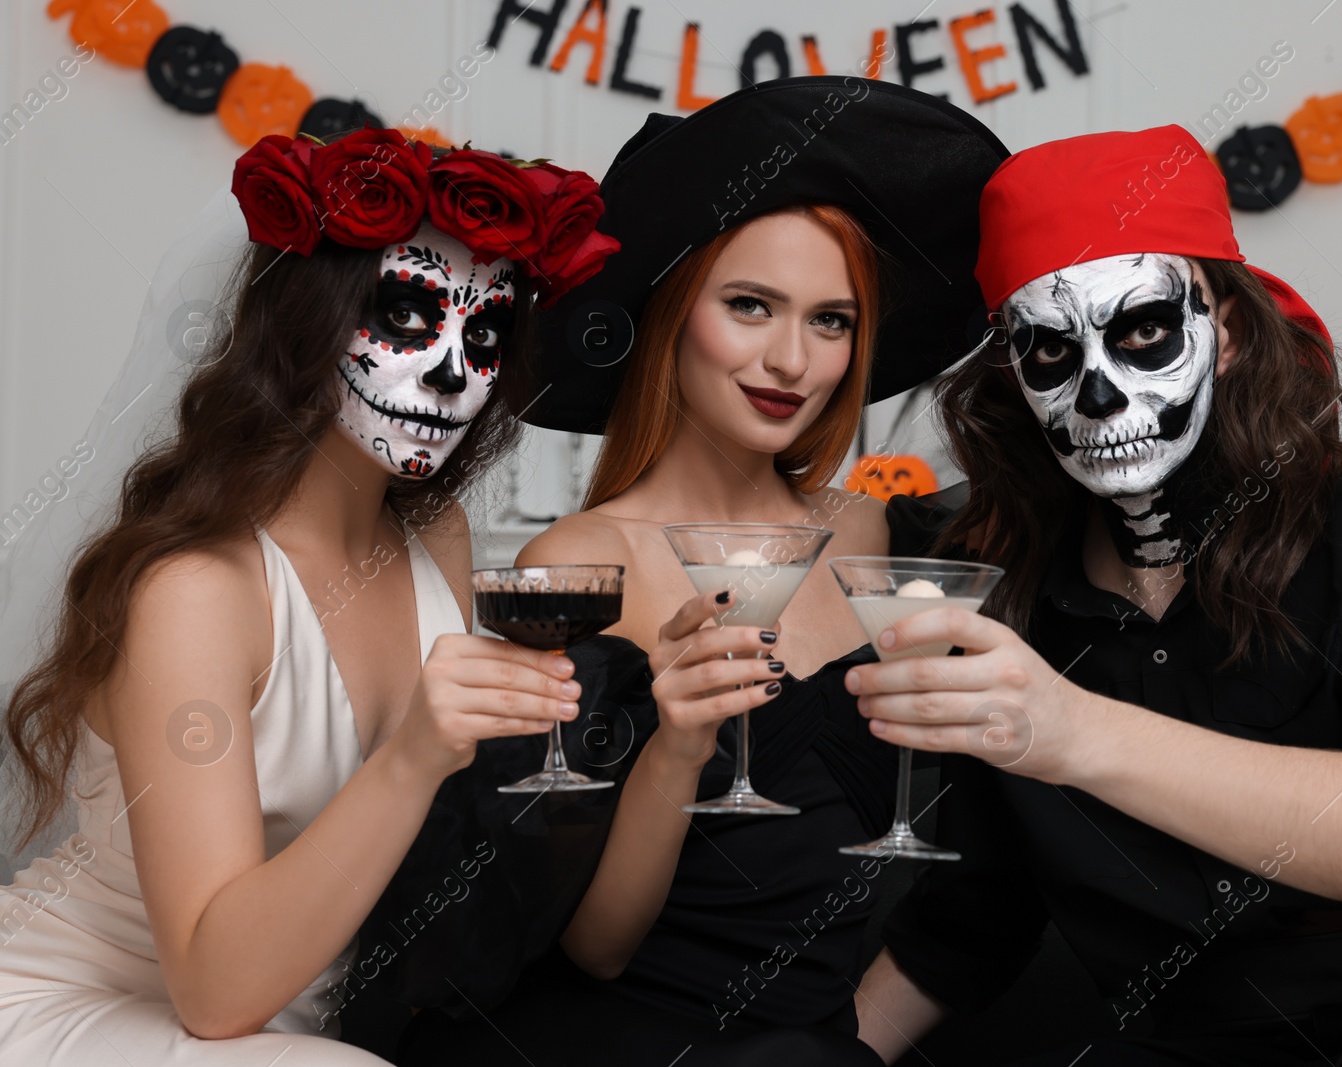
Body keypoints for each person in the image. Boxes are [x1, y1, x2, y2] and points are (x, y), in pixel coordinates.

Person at [843, 127, 1342, 1064]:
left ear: (1229, 332)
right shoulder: (1004, 585)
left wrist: (1070, 729)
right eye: (1050, 352)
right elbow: (969, 926)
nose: (1101, 398)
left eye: (1144, 331)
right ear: (1015, 377)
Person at [358, 76, 1008, 1066]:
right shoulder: (580, 560)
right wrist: (675, 746)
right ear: (672, 313)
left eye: (830, 320)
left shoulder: (880, 529)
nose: (791, 358)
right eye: (750, 305)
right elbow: (596, 946)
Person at [0, 127, 615, 1064]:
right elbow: (213, 996)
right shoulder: (197, 590)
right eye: (407, 316)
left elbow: (439, 866)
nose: (454, 373)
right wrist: (413, 755)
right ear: (305, 325)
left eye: (484, 333)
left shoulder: (432, 539)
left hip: (310, 1020)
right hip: (97, 1005)